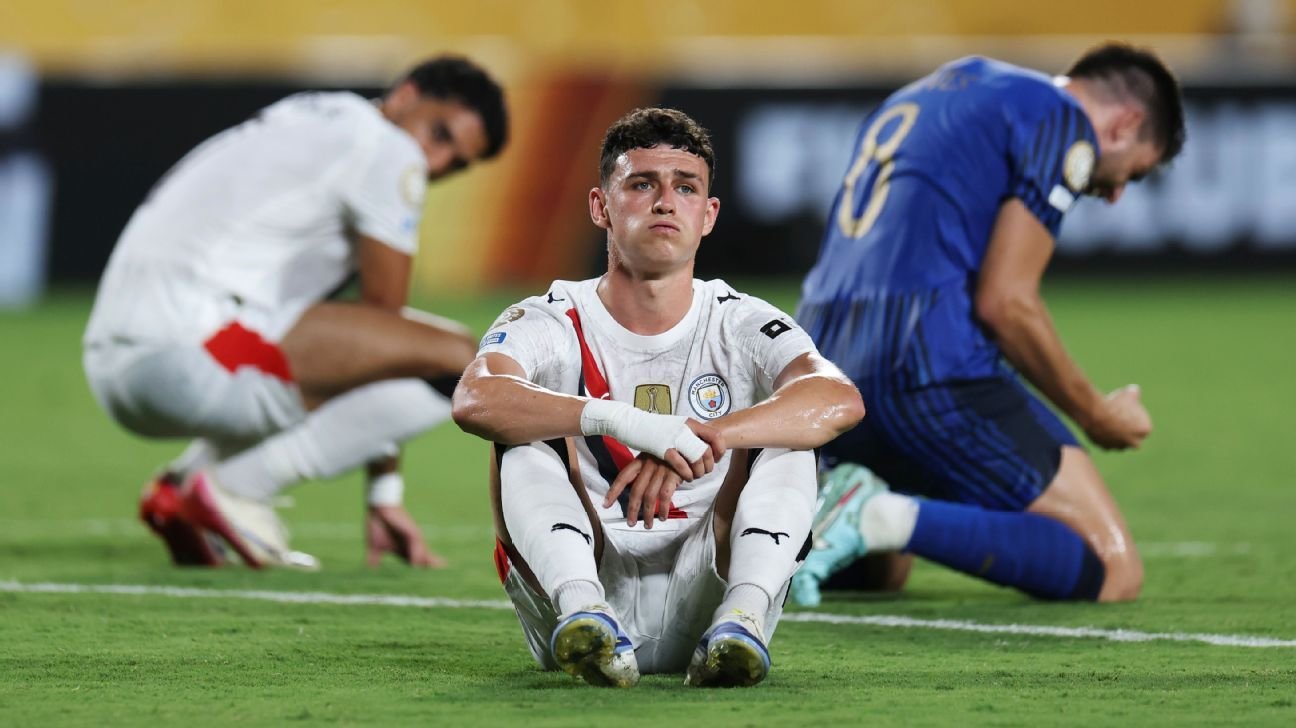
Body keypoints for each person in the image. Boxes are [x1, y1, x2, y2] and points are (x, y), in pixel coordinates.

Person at [451, 108, 863, 688]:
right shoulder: (550, 316)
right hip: (580, 582)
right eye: (643, 184)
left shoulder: (741, 320)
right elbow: (475, 398)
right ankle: (584, 611)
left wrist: (701, 437)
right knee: (520, 433)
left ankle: (743, 617)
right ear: (600, 207)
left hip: (709, 583)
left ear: (708, 215)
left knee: (790, 436)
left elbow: (838, 398)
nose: (666, 202)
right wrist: (626, 422)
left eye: (685, 188)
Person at [791, 43, 1186, 606]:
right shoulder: (1059, 118)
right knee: (1110, 566)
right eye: (1136, 173)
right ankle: (872, 512)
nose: (1117, 194)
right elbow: (1007, 304)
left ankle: (794, 523)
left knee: (881, 572)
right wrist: (1097, 415)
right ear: (1125, 124)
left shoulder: (923, 94)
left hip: (826, 374)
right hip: (924, 364)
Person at [83, 56, 509, 569]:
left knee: (330, 336)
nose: (436, 164)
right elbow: (387, 332)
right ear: (406, 95)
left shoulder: (311, 113)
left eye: (457, 164)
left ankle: (183, 486)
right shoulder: (390, 151)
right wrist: (384, 492)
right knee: (464, 360)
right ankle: (234, 488)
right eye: (439, 134)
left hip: (116, 358)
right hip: (185, 354)